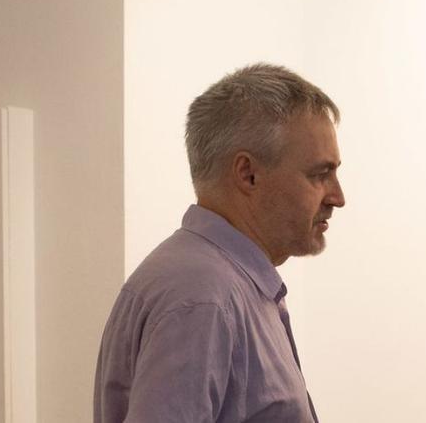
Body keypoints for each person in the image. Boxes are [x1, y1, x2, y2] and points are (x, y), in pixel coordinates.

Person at [94, 64, 345, 422]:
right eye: (319, 174)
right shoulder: (203, 297)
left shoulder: (221, 285)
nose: (337, 197)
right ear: (248, 174)